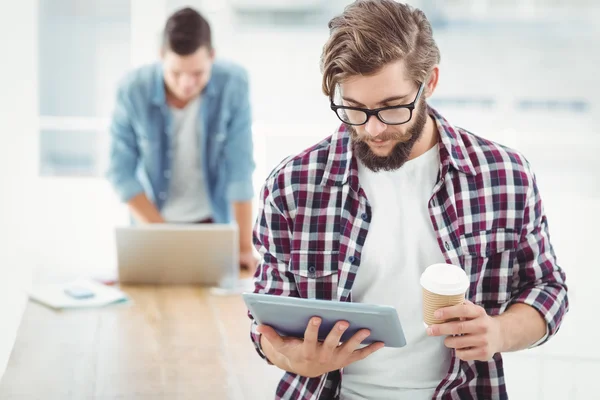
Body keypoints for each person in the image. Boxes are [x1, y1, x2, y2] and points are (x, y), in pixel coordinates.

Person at [248, 1, 569, 399]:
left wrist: (500, 332)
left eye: (391, 108)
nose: (373, 129)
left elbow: (548, 288)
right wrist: (293, 358)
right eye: (354, 109)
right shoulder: (292, 187)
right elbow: (265, 318)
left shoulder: (504, 175)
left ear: (429, 83)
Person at [107, 7, 258, 271]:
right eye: (176, 73)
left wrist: (244, 248)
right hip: (152, 224)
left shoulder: (233, 84)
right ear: (161, 56)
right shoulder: (132, 90)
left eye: (198, 73)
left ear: (212, 56)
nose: (187, 84)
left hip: (212, 224)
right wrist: (165, 237)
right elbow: (120, 173)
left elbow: (240, 169)